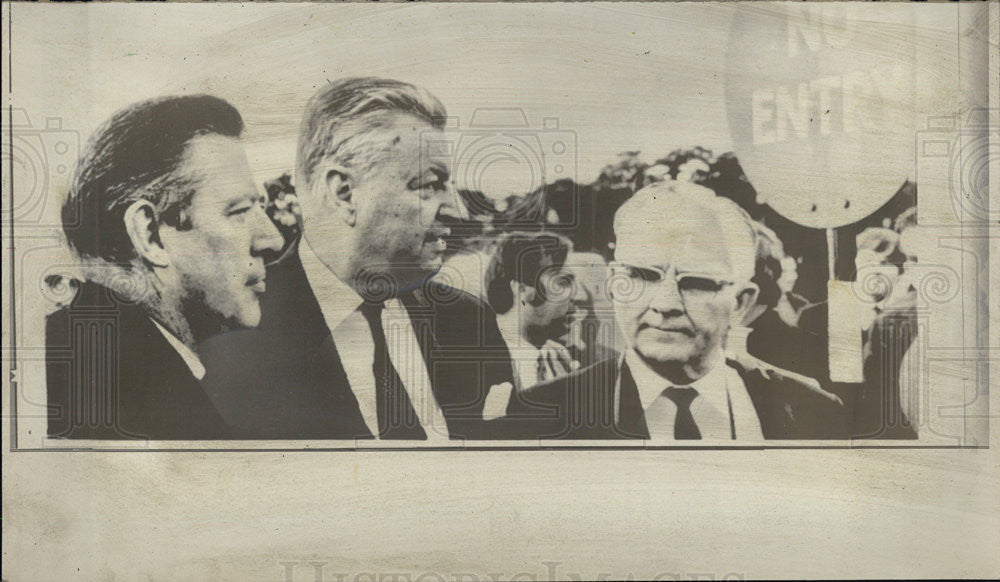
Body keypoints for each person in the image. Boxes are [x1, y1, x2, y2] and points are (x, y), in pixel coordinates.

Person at [202, 77, 516, 440]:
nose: (457, 210)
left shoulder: (469, 322)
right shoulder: (228, 336)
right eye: (431, 184)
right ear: (345, 193)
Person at [506, 181, 844, 440]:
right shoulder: (543, 414)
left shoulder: (813, 411)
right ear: (613, 286)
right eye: (641, 275)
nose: (665, 304)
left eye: (695, 281)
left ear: (741, 302)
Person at [45, 95, 285, 439]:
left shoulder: (84, 358)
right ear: (150, 235)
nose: (273, 240)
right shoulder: (118, 405)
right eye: (238, 211)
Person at [485, 232, 583, 392]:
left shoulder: (550, 354)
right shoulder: (490, 362)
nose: (576, 294)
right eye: (563, 282)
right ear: (522, 289)